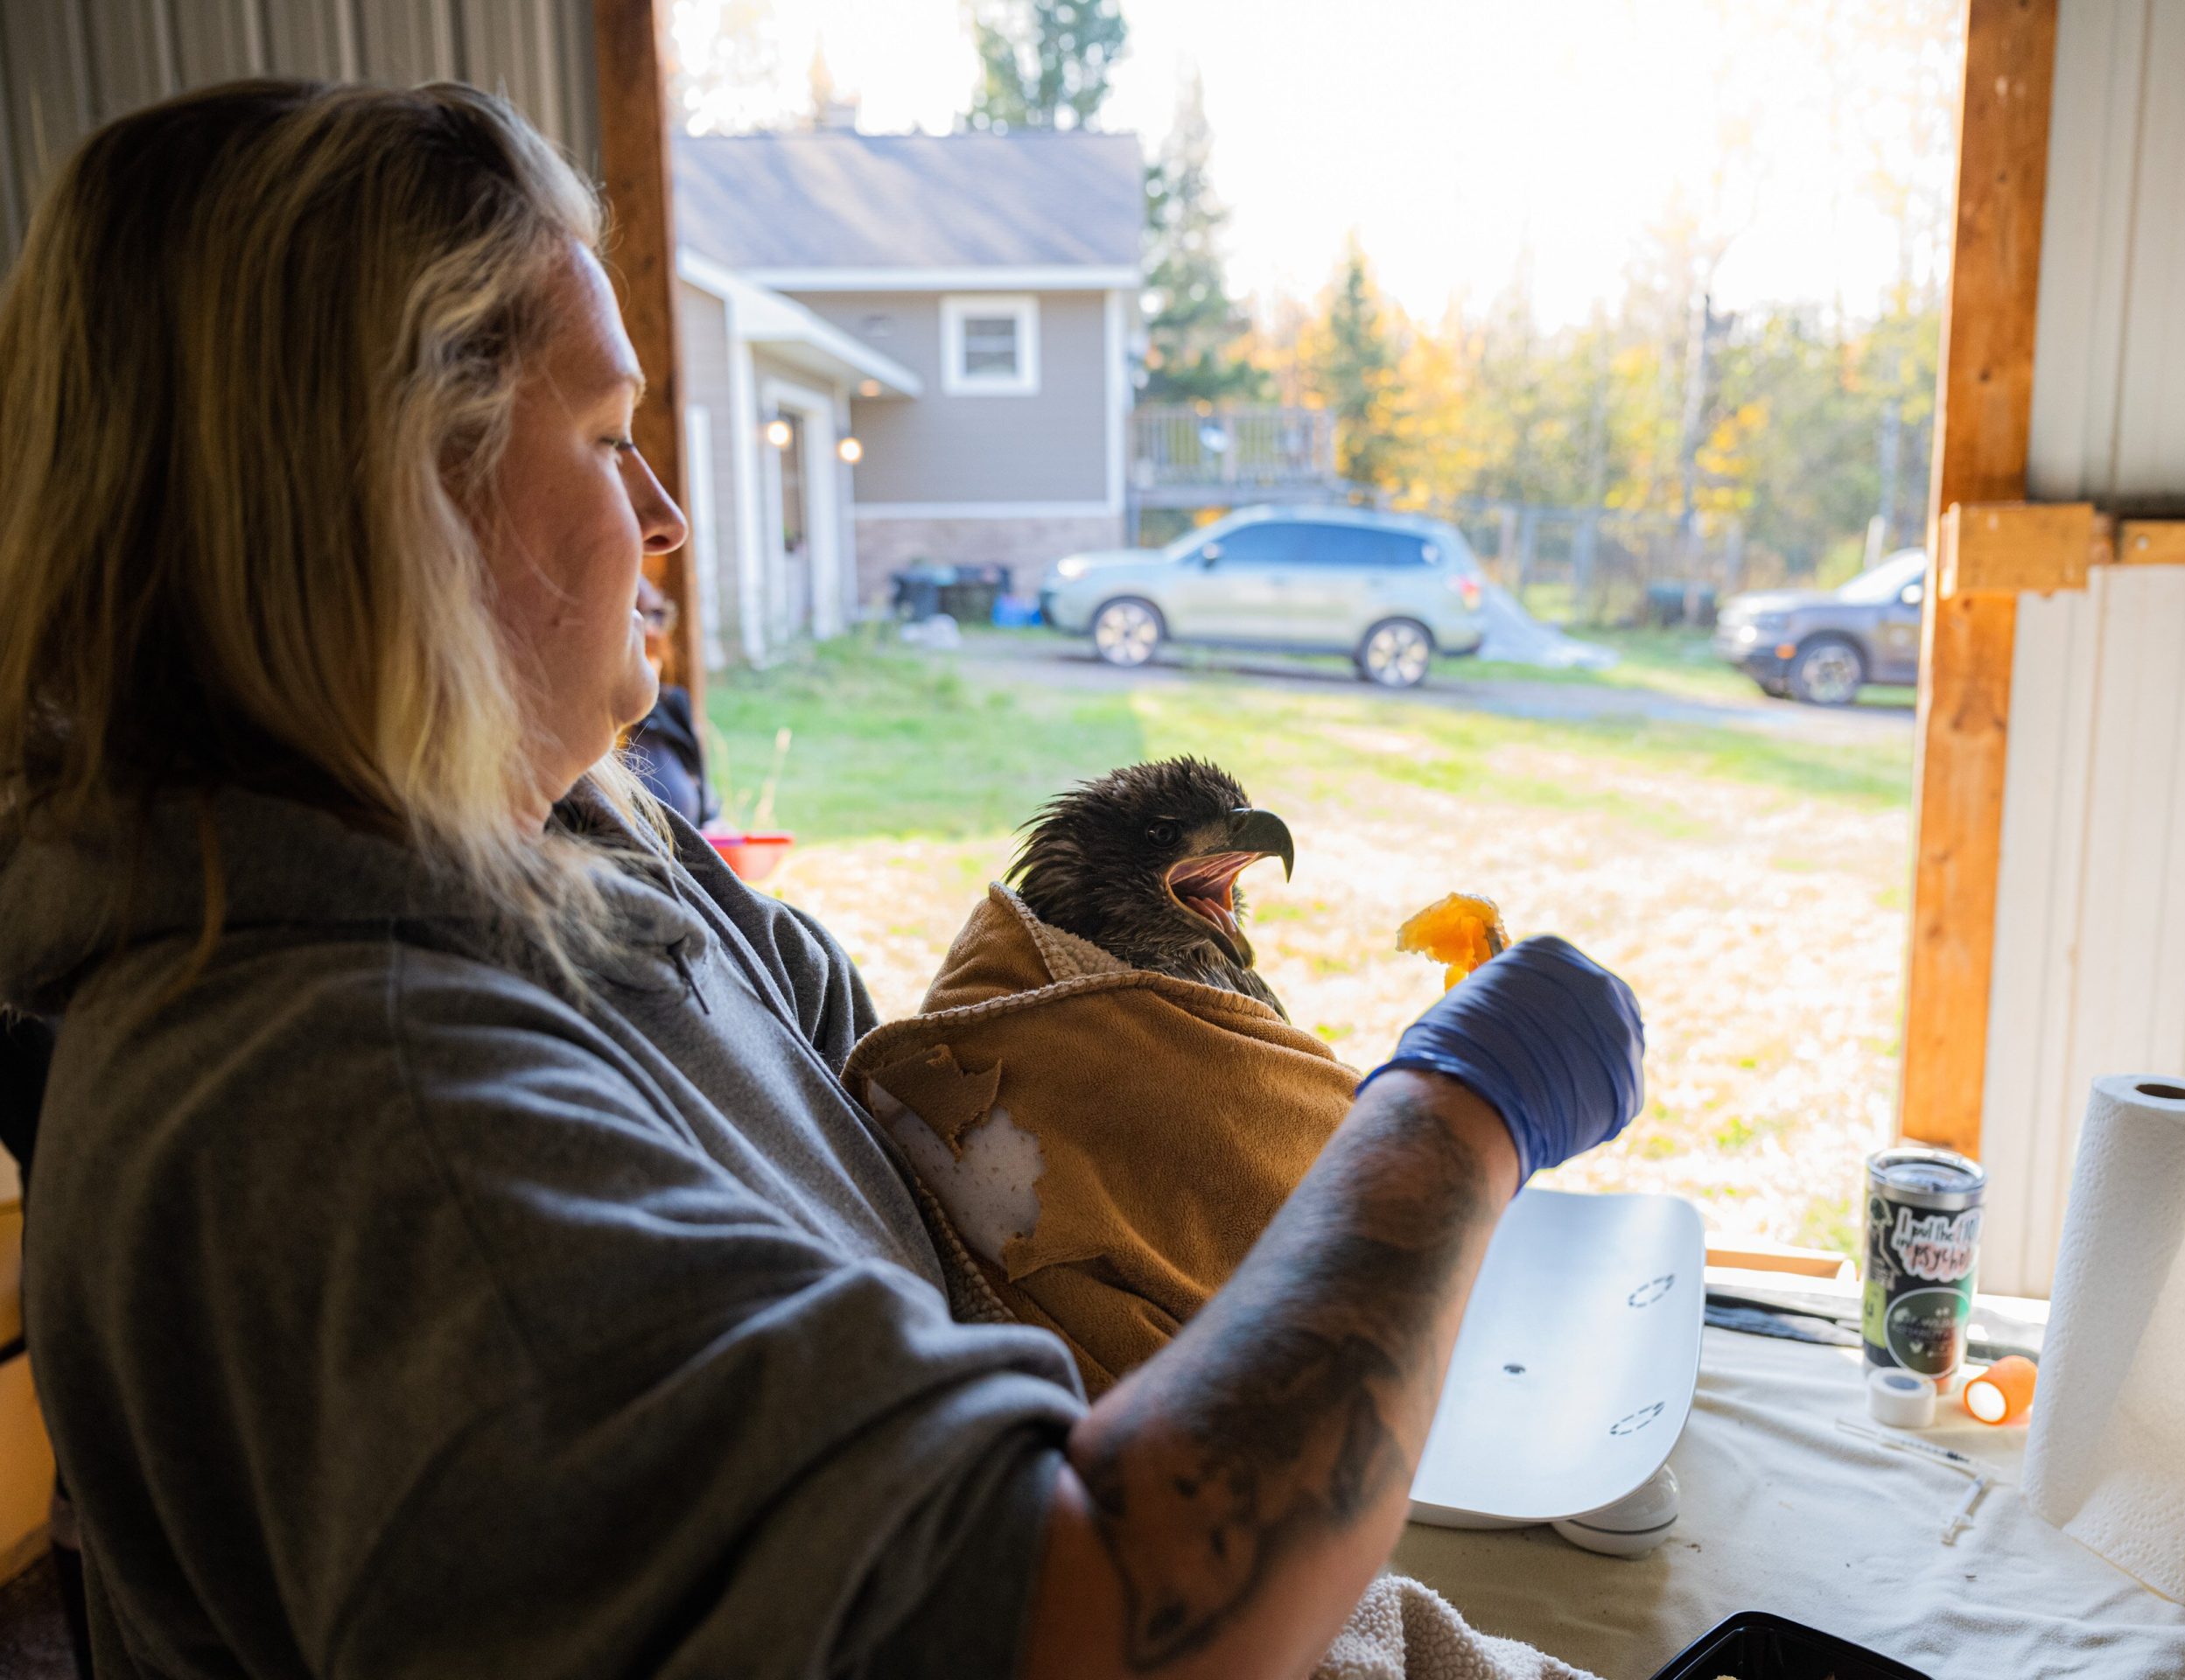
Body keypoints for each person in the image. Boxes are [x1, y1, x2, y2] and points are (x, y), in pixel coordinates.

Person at [0, 80, 1644, 1679]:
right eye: (603, 438)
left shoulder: (564, 840)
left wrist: (1104, 963)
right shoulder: (358, 1121)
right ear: (384, 503)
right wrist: (1450, 1115)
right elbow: (1107, 1629)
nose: (664, 522)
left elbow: (885, 1119)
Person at [622, 577, 720, 827]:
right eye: (631, 614)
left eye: (658, 614)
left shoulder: (673, 705)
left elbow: (706, 816)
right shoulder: (582, 724)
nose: (651, 630)